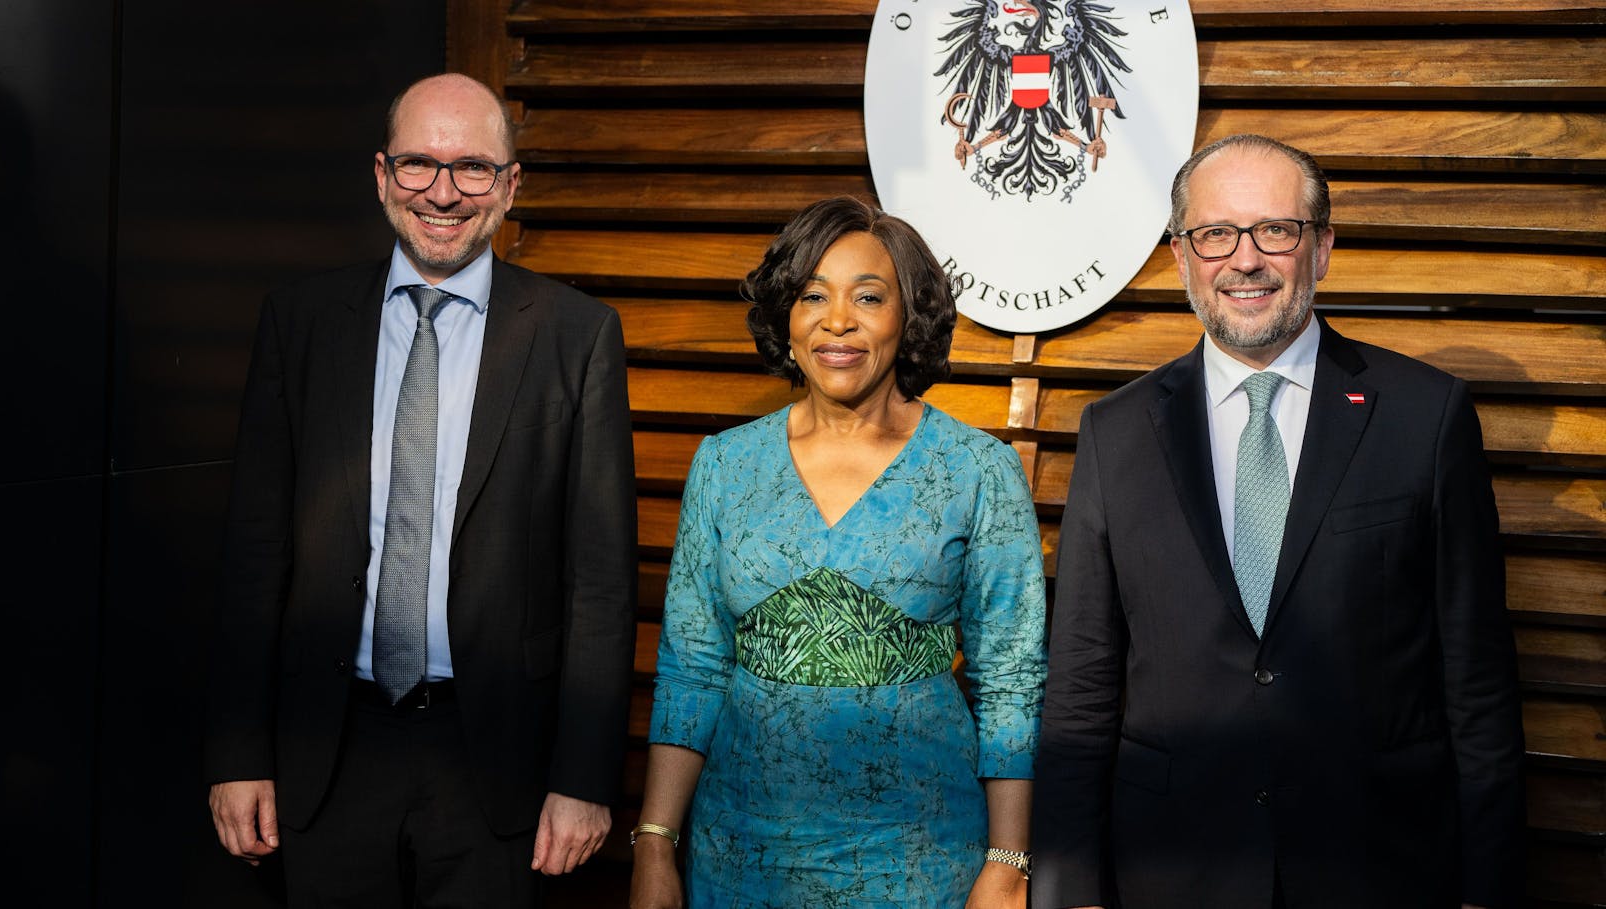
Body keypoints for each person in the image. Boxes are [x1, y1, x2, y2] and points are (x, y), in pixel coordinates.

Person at [1030, 134, 1525, 909]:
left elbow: (1479, 681)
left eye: (1276, 231)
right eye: (1216, 234)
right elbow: (1081, 689)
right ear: (1181, 256)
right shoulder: (1115, 432)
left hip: (1379, 868)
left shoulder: (1426, 417)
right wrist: (1068, 891)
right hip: (1170, 870)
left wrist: (1487, 890)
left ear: (1322, 248)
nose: (1245, 259)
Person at [204, 73, 637, 906]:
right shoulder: (301, 323)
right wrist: (238, 752)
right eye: (418, 165)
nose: (443, 193)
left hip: (498, 764)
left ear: (511, 185)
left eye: (473, 167)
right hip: (325, 750)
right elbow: (254, 556)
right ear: (380, 175)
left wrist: (583, 777)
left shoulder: (578, 336)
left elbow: (602, 583)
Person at [629, 196, 1047, 909]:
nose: (838, 320)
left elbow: (1011, 679)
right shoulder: (725, 466)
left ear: (907, 315)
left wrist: (1008, 861)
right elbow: (691, 670)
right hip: (740, 852)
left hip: (921, 856)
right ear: (785, 319)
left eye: (868, 296)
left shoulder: (978, 470)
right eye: (812, 295)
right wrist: (656, 840)